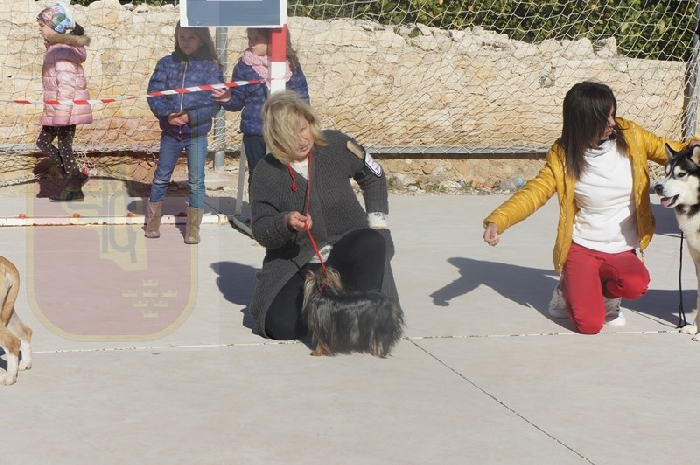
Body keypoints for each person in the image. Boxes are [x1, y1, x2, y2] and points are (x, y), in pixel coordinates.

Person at [482, 81, 700, 335]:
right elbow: (534, 192)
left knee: (635, 285)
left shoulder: (632, 136)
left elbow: (676, 151)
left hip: (621, 248)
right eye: (604, 118)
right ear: (584, 122)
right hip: (584, 247)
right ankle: (566, 289)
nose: (612, 123)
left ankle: (605, 293)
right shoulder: (563, 155)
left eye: (613, 114)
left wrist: (694, 145)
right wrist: (499, 220)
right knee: (589, 325)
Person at [248, 90, 398, 340]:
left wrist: (379, 225)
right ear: (276, 138)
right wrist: (285, 223)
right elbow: (261, 229)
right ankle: (328, 309)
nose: (301, 139)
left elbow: (374, 175)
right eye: (290, 135)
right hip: (300, 262)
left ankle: (357, 311)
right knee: (279, 326)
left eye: (303, 128)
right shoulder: (266, 171)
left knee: (371, 241)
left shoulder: (337, 145)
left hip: (347, 256)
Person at [146, 22, 224, 244]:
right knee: (161, 177)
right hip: (171, 134)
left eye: (191, 37)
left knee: (196, 181)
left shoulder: (210, 68)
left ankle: (192, 230)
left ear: (202, 40)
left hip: (196, 135)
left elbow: (214, 103)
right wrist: (168, 114)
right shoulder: (166, 63)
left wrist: (192, 116)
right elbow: (154, 94)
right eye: (182, 37)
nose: (186, 42)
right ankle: (152, 223)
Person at [211, 27, 309, 189]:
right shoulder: (244, 66)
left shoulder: (290, 66)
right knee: (258, 174)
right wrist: (227, 99)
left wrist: (301, 124)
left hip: (285, 132)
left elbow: (302, 98)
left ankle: (283, 204)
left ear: (273, 41)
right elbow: (237, 101)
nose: (251, 43)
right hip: (255, 131)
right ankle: (258, 205)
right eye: (250, 38)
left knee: (285, 174)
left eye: (256, 39)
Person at [36, 3, 92, 202]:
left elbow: (67, 85)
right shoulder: (56, 48)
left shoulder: (61, 50)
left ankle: (73, 184)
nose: (39, 29)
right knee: (50, 144)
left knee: (58, 145)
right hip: (58, 109)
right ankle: (74, 180)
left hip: (64, 110)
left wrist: (61, 114)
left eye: (42, 25)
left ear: (55, 26)